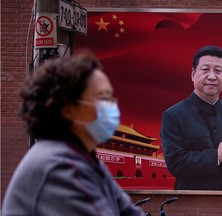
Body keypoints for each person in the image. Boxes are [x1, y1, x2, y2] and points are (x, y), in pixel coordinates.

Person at [2, 53, 145, 216]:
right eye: (103, 98)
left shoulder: (86, 160)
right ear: (68, 109)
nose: (112, 106)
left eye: (111, 98)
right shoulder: (61, 166)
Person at [160, 45, 222, 190]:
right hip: (192, 206)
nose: (212, 76)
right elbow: (175, 163)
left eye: (218, 71)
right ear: (193, 74)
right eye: (205, 69)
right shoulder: (173, 115)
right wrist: (216, 156)